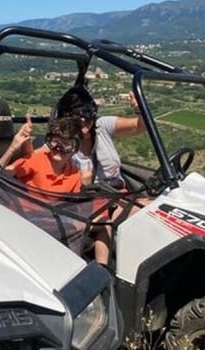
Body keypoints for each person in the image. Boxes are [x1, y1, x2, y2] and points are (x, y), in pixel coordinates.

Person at [54, 84, 147, 265]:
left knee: (155, 208)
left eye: (85, 114)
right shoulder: (62, 144)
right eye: (75, 116)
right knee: (146, 215)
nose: (82, 120)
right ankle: (106, 276)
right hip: (89, 200)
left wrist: (139, 107)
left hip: (118, 193)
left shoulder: (102, 126)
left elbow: (140, 126)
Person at [0, 116, 85, 193]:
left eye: (66, 144)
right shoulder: (36, 160)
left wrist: (86, 185)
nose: (58, 148)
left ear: (75, 149)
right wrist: (12, 149)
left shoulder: (75, 175)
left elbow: (77, 206)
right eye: (55, 141)